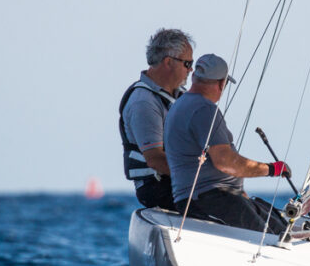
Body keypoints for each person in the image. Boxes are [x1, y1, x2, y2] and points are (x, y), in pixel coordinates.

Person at [164, 53, 292, 233]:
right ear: (221, 84)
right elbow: (225, 162)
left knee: (280, 230)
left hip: (214, 198)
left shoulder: (180, 105)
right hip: (210, 199)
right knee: (271, 239)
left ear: (194, 77)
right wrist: (272, 169)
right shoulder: (204, 109)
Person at [119, 28, 195, 209]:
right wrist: (202, 177)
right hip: (157, 188)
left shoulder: (181, 97)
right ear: (169, 62)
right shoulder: (143, 102)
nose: (191, 69)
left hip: (181, 182)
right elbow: (155, 160)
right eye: (187, 63)